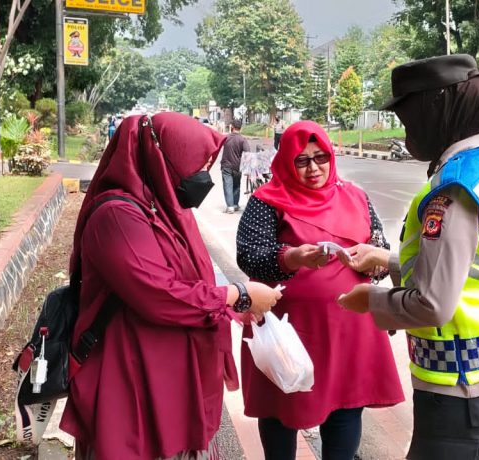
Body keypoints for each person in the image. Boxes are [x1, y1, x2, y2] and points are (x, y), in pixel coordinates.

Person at [337, 55, 479, 460]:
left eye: (409, 122)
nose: (407, 133)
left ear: (437, 113)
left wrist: (369, 301)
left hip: (464, 384)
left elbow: (432, 304)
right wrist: (389, 260)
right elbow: (473, 266)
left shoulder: (453, 193)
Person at [59, 112, 282, 459]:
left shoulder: (165, 207)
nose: (202, 178)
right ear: (162, 159)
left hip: (175, 379)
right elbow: (160, 294)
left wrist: (231, 307)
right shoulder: (116, 216)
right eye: (195, 166)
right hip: (132, 380)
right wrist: (237, 294)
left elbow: (193, 279)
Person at [236, 121, 404, 460]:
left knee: (346, 410)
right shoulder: (267, 201)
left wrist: (374, 263)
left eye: (320, 157)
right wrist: (291, 257)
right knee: (282, 411)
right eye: (302, 160)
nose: (314, 168)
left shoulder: (355, 196)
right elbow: (250, 257)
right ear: (286, 162)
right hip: (290, 332)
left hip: (348, 330)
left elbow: (381, 250)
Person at [221, 119, 248, 213]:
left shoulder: (226, 138)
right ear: (241, 128)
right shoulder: (242, 139)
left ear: (232, 127)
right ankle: (235, 205)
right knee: (236, 185)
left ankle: (230, 207)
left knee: (228, 185)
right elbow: (247, 153)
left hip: (226, 166)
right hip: (238, 167)